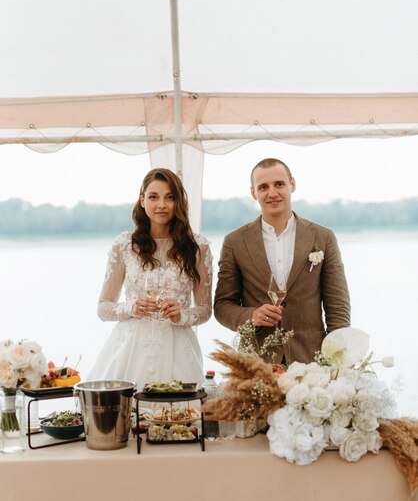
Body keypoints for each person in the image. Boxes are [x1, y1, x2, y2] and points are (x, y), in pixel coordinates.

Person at [214, 158, 350, 364]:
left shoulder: (323, 237)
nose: (272, 193)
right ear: (253, 192)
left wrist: (337, 359)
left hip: (311, 360)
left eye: (279, 184)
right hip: (256, 363)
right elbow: (222, 305)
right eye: (263, 187)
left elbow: (337, 305)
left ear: (292, 184)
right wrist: (251, 316)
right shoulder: (235, 242)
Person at [88, 168, 213, 389]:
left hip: (179, 350)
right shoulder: (124, 245)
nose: (162, 204)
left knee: (182, 418)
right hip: (130, 349)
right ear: (142, 200)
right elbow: (103, 308)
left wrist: (182, 314)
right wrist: (131, 307)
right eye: (154, 197)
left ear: (179, 202)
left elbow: (205, 309)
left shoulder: (198, 247)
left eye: (170, 197)